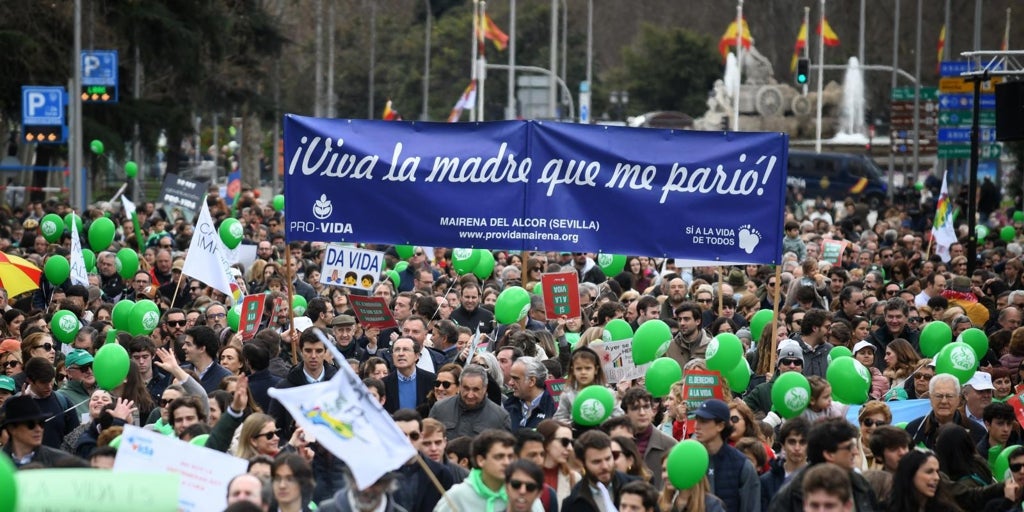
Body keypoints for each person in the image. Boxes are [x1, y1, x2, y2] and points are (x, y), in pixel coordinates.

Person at [767, 417, 879, 512]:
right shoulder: (792, 493)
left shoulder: (861, 486)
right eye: (849, 447)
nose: (855, 452)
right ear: (829, 454)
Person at [692, 399, 761, 512]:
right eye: (696, 420)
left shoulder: (742, 465)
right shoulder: (691, 461)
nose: (696, 426)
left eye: (703, 421)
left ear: (720, 426)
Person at [433, 429, 521, 512]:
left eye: (510, 457)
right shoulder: (458, 496)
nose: (506, 462)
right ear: (481, 460)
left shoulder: (523, 492)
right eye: (499, 457)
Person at [561, 429, 640, 512]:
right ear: (582, 463)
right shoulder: (573, 503)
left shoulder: (637, 487)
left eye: (608, 458)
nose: (605, 466)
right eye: (596, 462)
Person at [429, 364, 511, 438]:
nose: (470, 395)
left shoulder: (500, 417)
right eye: (466, 388)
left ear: (485, 388)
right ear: (460, 386)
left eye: (476, 389)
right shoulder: (439, 409)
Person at [906, 373, 985, 450]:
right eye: (938, 396)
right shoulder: (914, 429)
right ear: (930, 398)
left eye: (949, 396)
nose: (944, 401)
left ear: (959, 399)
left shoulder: (976, 432)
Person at [1, 395, 80, 467]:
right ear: (12, 429)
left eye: (41, 424)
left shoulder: (62, 461)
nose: (38, 429)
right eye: (30, 425)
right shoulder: (2, 462)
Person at [622, 387, 676, 489]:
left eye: (646, 407)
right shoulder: (617, 444)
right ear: (626, 413)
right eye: (635, 408)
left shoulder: (671, 445)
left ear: (653, 411)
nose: (642, 413)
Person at [886, 450, 961, 512]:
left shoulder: (947, 509)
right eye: (929, 472)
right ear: (910, 474)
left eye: (937, 472)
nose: (937, 477)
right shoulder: (887, 507)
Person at [761, 417, 810, 510]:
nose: (797, 448)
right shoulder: (766, 481)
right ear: (783, 445)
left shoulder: (817, 479)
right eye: (792, 442)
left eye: (802, 442)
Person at [384, 337, 436, 414]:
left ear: (416, 356)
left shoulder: (432, 380)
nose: (401, 354)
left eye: (406, 349)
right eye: (397, 350)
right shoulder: (383, 384)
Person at [503, 356, 556, 431]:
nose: (510, 383)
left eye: (515, 378)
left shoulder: (554, 406)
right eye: (511, 378)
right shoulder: (508, 405)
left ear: (532, 381)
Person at [537, 419, 580, 503]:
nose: (570, 448)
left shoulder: (574, 478)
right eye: (565, 442)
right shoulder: (523, 475)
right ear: (546, 442)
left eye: (571, 442)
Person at [182, 325, 233, 393]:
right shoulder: (181, 372)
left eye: (188, 344)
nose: (183, 347)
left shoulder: (225, 377)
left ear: (202, 348)